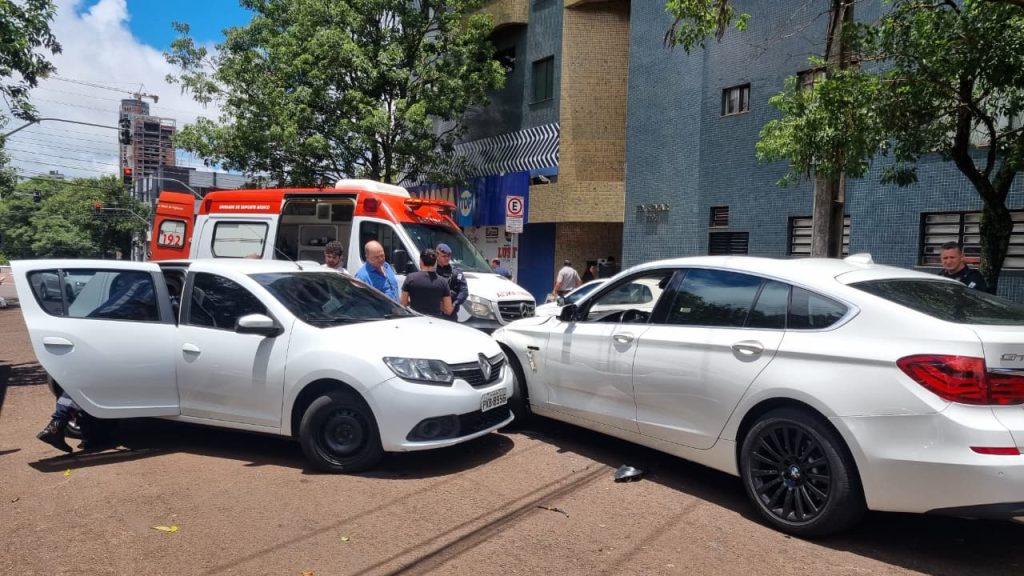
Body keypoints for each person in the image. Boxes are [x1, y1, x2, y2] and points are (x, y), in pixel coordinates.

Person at [401, 249, 453, 318]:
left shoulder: (410, 278)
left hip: (415, 319)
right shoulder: (443, 282)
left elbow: (403, 303)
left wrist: (413, 303)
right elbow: (448, 310)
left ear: (421, 261)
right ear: (435, 263)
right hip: (435, 321)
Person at [434, 243, 468, 321]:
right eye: (444, 256)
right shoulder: (431, 271)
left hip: (450, 314)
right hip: (434, 313)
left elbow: (464, 291)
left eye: (449, 256)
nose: (447, 259)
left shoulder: (455, 272)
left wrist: (453, 304)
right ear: (437, 255)